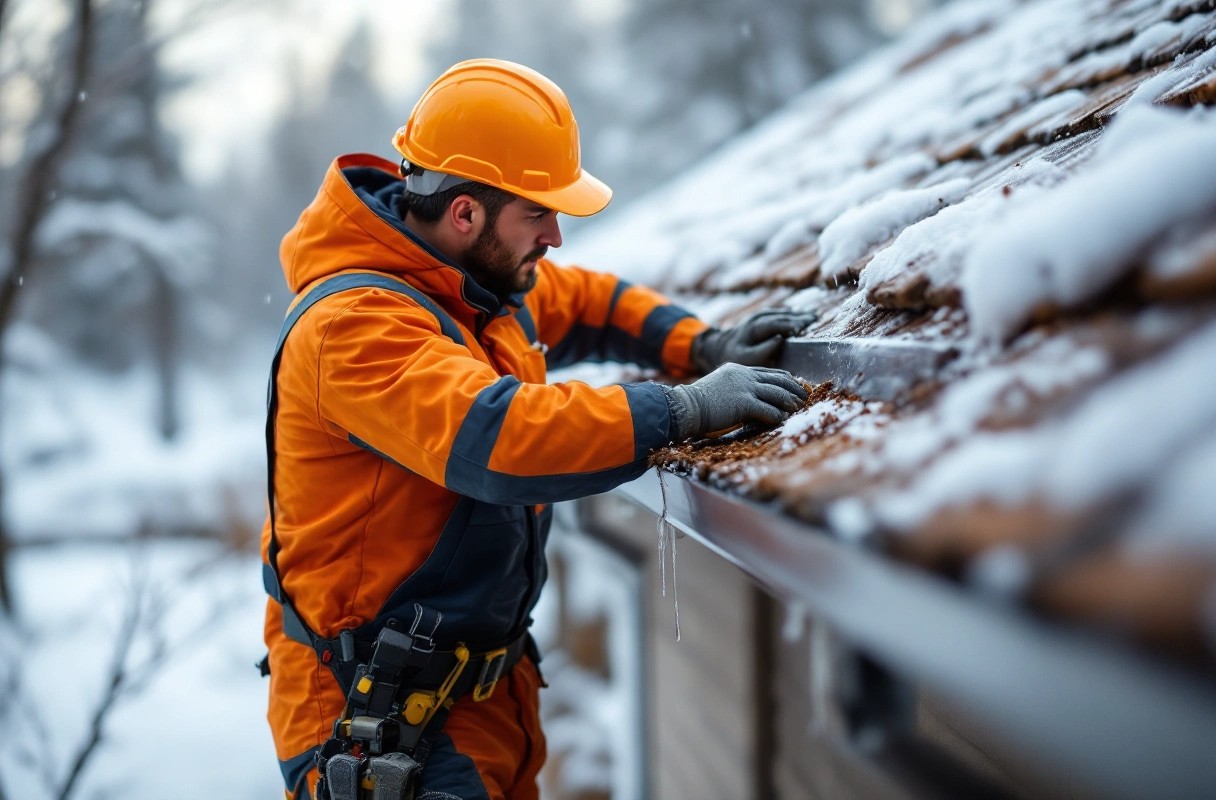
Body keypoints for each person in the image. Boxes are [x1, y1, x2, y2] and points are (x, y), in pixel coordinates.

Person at [261, 58, 814, 800]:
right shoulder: (353, 328)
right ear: (465, 214)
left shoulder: (475, 280)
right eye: (539, 213)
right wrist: (684, 409)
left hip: (474, 697)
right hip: (375, 723)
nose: (555, 236)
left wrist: (699, 346)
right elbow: (501, 439)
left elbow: (588, 303)